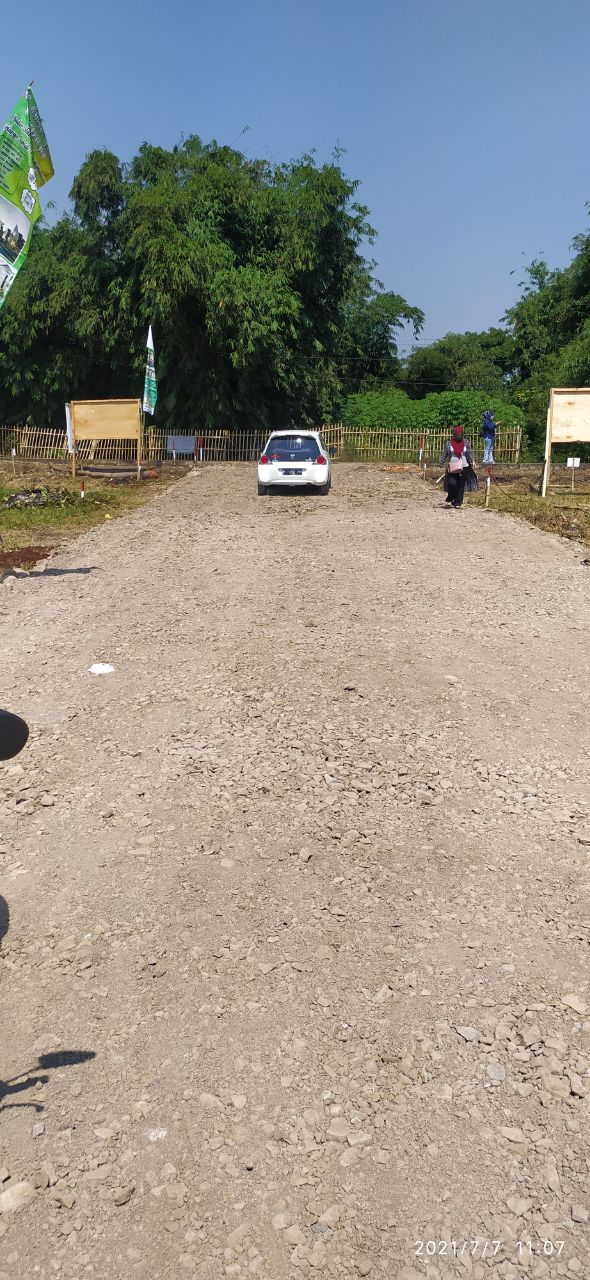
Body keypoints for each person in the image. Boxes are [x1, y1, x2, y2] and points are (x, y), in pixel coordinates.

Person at [439, 426, 479, 508]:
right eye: (457, 434)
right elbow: (445, 454)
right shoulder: (449, 443)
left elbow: (470, 452)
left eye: (460, 434)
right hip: (452, 467)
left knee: (461, 485)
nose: (459, 436)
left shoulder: (466, 442)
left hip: (464, 466)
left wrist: (473, 460)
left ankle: (457, 503)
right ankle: (450, 499)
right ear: (454, 434)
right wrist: (441, 463)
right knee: (452, 484)